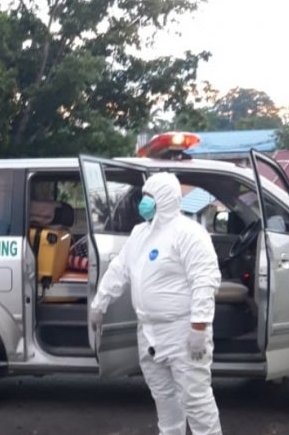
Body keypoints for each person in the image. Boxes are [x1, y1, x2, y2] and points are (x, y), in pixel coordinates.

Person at [89, 172, 222, 435]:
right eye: (144, 195)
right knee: (163, 397)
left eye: (150, 196)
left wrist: (199, 326)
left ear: (164, 198)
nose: (143, 202)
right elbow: (119, 270)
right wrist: (99, 303)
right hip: (148, 331)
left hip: (182, 330)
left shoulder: (190, 234)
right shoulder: (140, 233)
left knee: (196, 400)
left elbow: (204, 281)